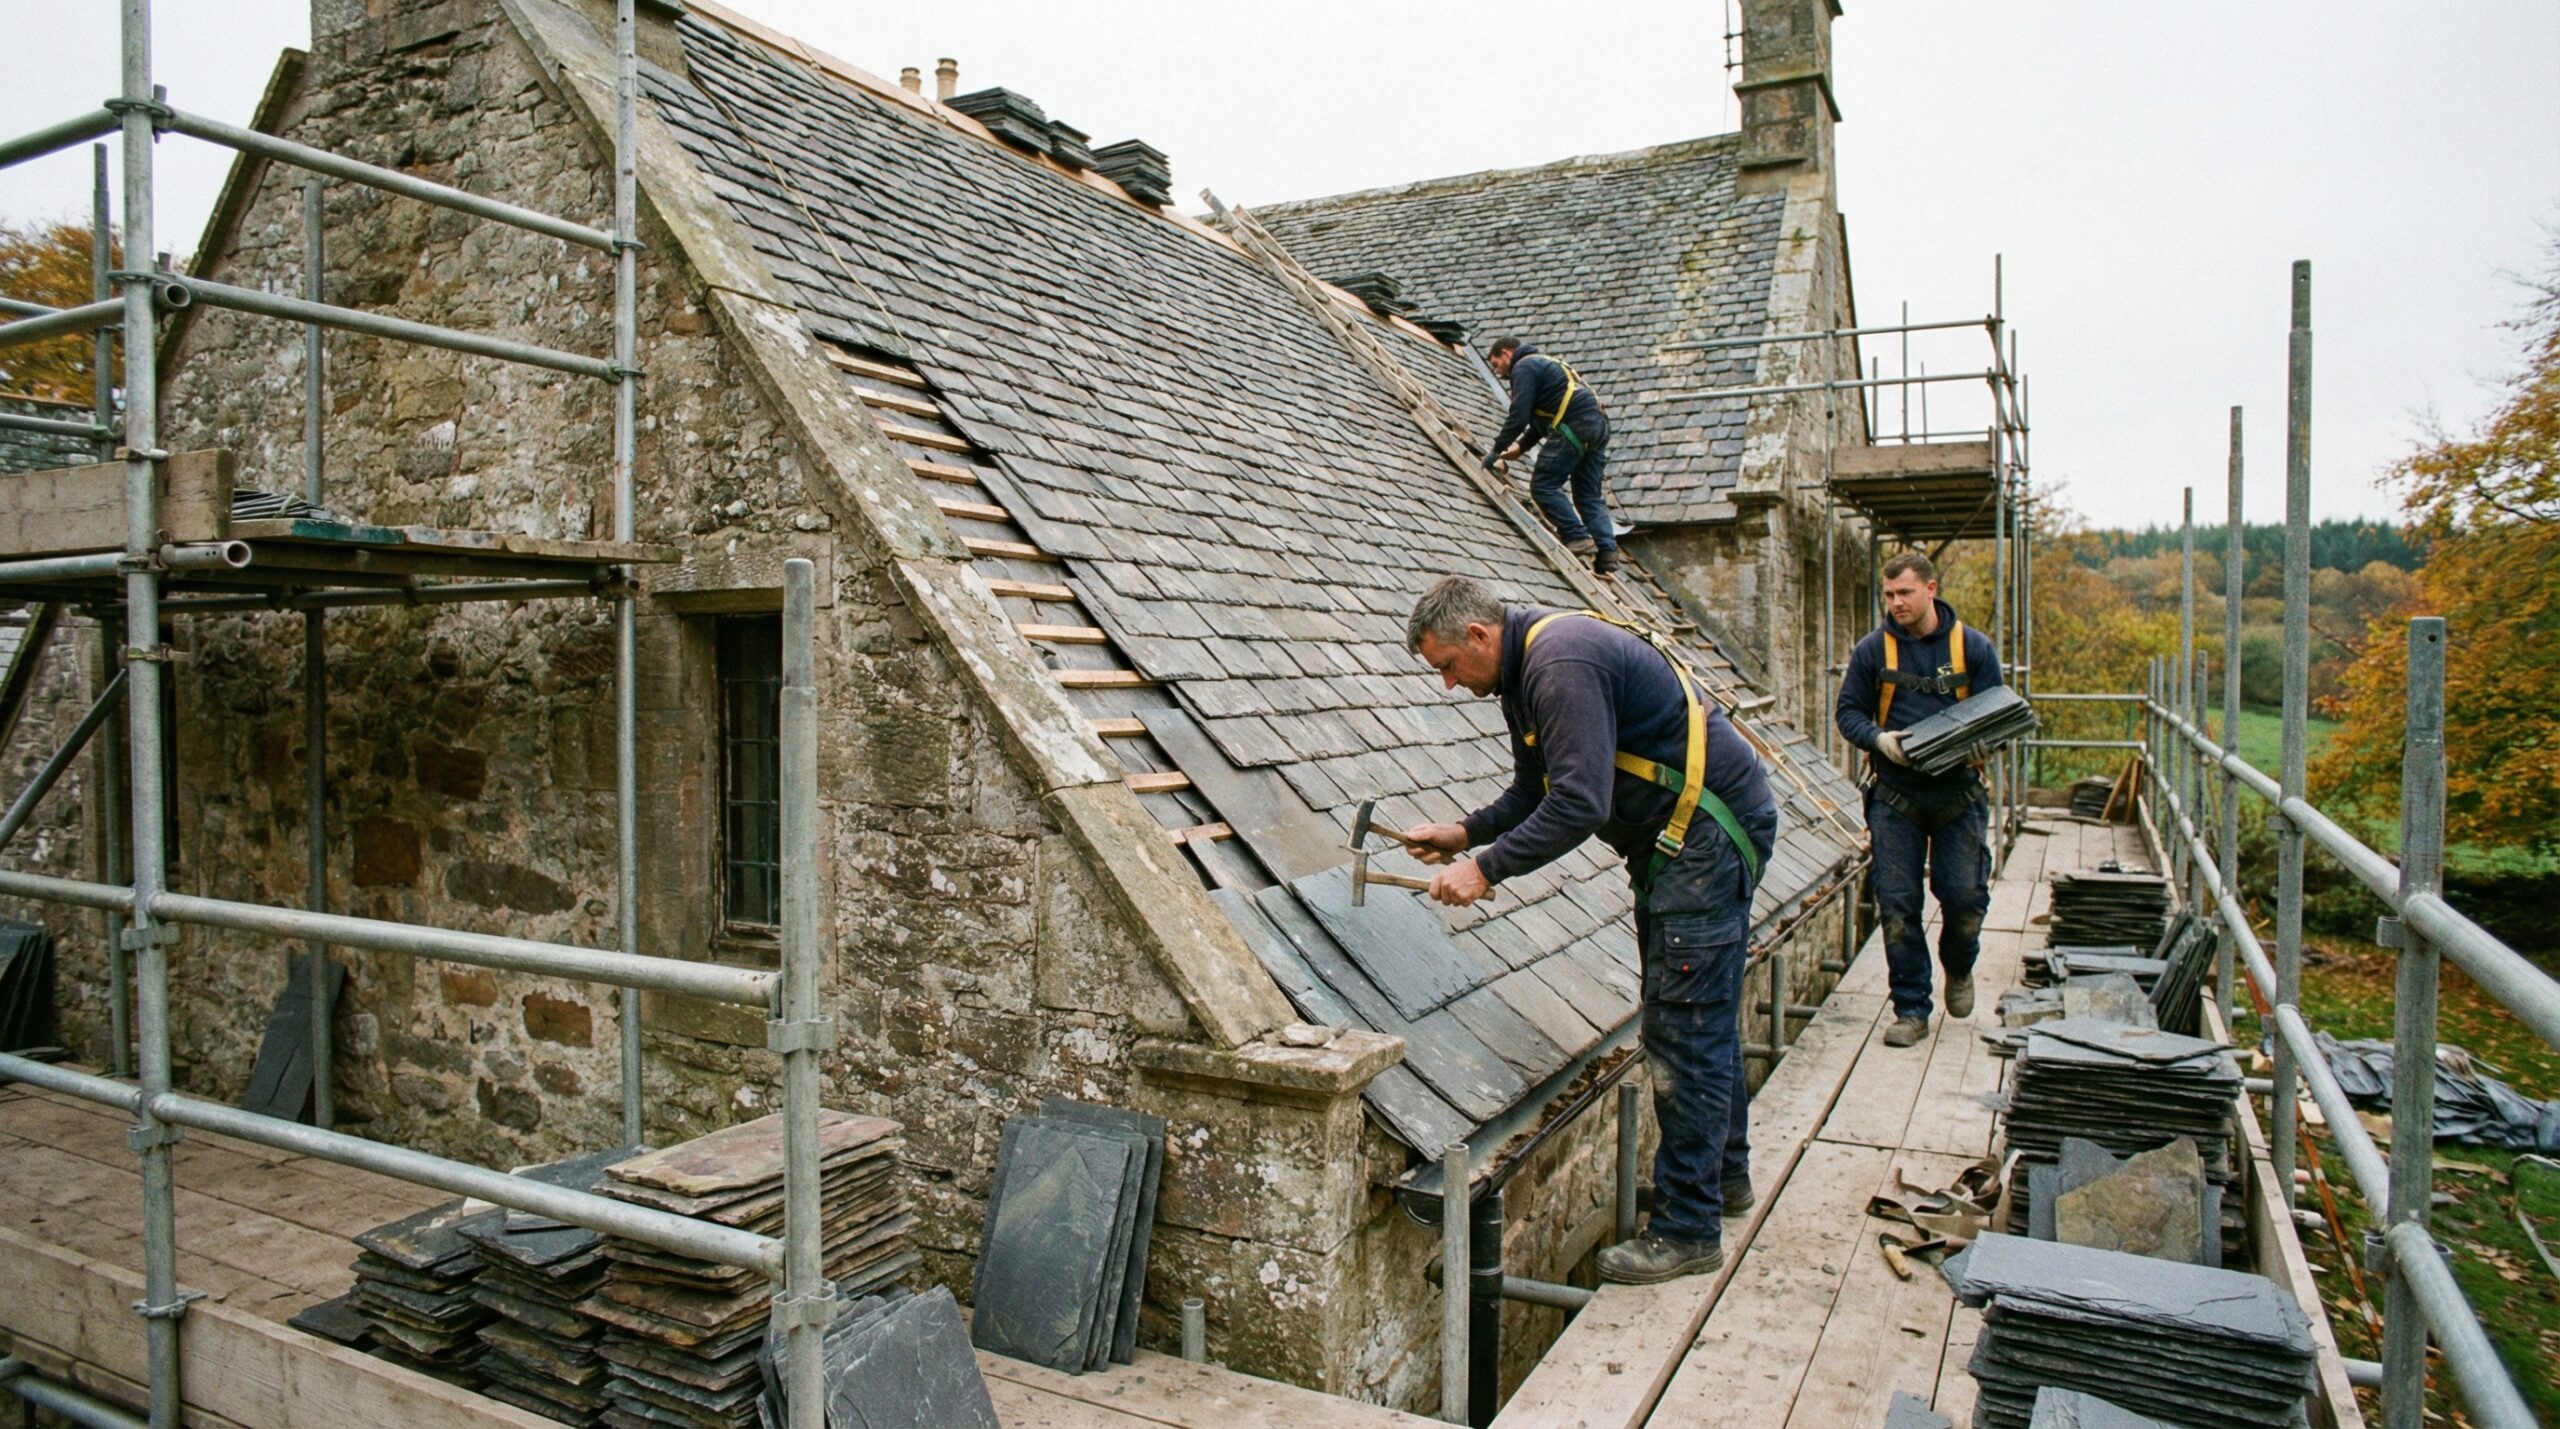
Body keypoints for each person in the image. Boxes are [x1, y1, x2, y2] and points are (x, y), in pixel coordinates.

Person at [1400, 575, 1778, 1283]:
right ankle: (1723, 1180)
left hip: (1705, 838)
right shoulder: (1523, 673)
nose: (1449, 684)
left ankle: (1689, 1228)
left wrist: (1486, 870)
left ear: (1480, 635)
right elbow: (1536, 789)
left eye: (1448, 665)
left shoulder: (1560, 662)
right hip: (1688, 841)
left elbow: (1579, 801)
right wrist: (1464, 832)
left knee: (1682, 1028)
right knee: (1701, 1019)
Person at [1834, 551, 2004, 1049]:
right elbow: (1848, 713)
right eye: (1889, 595)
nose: (1896, 603)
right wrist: (1879, 740)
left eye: (1904, 593)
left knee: (1964, 898)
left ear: (1931, 589)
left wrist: (1984, 743)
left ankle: (1959, 965)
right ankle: (1911, 1007)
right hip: (1896, 797)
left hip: (1958, 794)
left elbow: (1998, 712)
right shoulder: (1873, 651)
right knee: (1898, 905)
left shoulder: (1972, 648)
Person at [1483, 337, 1620, 576]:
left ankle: (1577, 536)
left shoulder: (1523, 366)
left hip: (1576, 425)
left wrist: (1496, 450)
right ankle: (1607, 553)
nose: (1498, 371)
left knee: (1543, 485)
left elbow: (1519, 413)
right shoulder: (1545, 365)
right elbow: (1542, 420)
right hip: (1597, 425)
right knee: (1588, 495)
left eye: (1496, 364)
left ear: (1506, 353)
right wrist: (1521, 447)